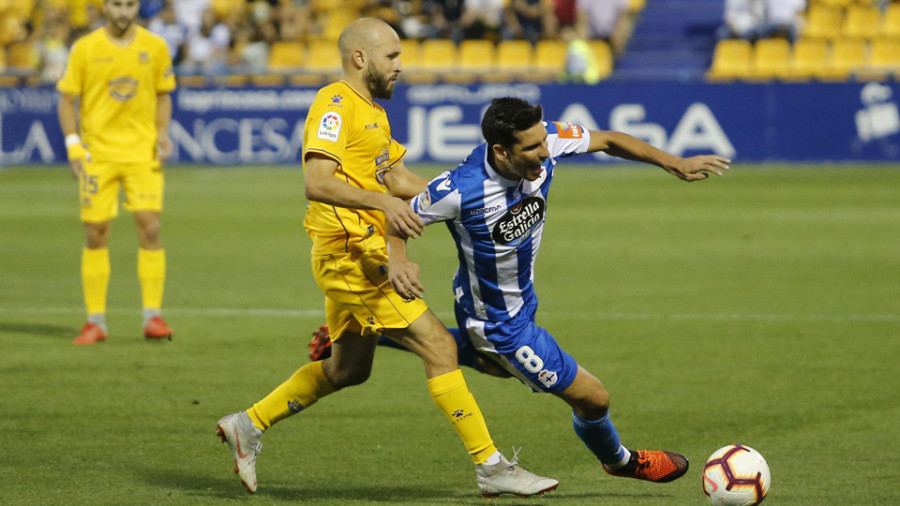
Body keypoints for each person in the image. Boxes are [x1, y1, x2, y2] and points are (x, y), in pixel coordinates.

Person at [215, 18, 558, 499]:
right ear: (360, 58)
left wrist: (474, 197)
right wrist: (384, 207)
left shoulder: (372, 112)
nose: (401, 65)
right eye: (392, 56)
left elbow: (397, 179)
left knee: (348, 370)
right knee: (439, 347)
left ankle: (247, 425)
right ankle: (491, 467)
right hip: (350, 256)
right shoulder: (334, 104)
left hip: (361, 252)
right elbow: (317, 182)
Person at [384, 97, 731, 485]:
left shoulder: (545, 138)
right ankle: (620, 461)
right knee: (594, 397)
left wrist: (673, 161)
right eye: (532, 149)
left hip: (516, 302)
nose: (545, 152)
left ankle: (377, 333)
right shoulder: (461, 189)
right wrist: (398, 259)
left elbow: (610, 140)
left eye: (543, 141)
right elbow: (397, 221)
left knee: (492, 366)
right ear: (500, 151)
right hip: (499, 324)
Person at [57, 0, 176, 345]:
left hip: (141, 152)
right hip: (99, 154)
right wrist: (73, 145)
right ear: (104, 7)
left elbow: (164, 94)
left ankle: (152, 316)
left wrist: (163, 133)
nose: (123, 11)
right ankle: (95, 321)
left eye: (128, 4)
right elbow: (66, 99)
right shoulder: (85, 48)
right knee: (96, 232)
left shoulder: (154, 46)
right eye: (116, 4)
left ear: (136, 7)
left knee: (150, 228)